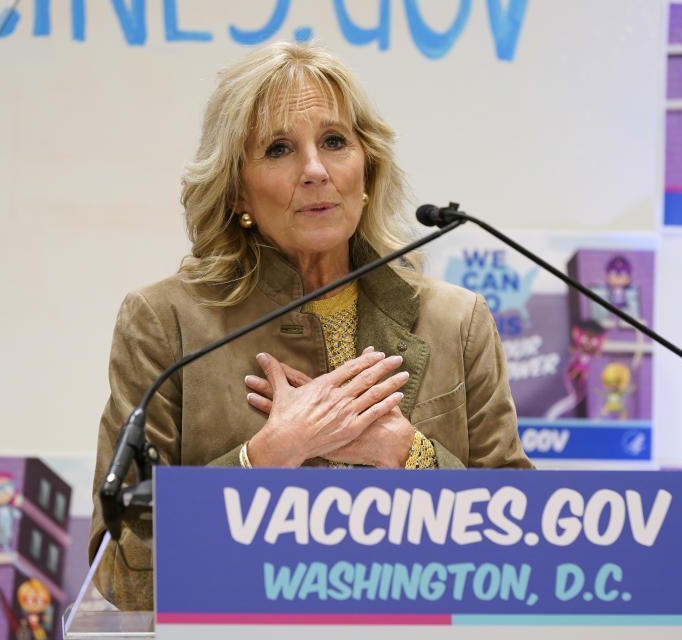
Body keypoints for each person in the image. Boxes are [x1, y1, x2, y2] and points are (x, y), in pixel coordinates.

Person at [88, 41, 532, 611]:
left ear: (366, 168)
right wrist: (268, 456)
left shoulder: (456, 322)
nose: (316, 171)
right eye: (278, 149)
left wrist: (407, 452)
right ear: (236, 190)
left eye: (334, 142)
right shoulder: (165, 324)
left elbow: (526, 545)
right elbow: (123, 573)